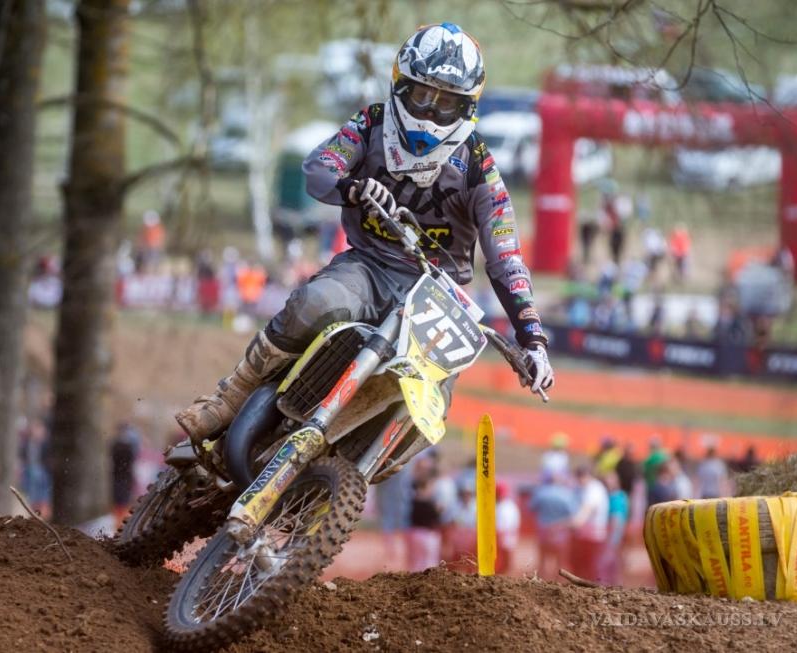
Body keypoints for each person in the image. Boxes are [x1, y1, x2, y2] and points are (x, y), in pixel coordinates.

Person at [172, 23, 554, 456]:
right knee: (316, 304)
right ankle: (227, 400)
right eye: (422, 94)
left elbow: (506, 257)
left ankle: (349, 471)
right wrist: (351, 187)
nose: (430, 111)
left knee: (430, 409)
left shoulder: (478, 165)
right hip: (369, 266)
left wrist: (533, 340)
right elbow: (319, 167)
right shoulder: (372, 124)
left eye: (446, 101)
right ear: (401, 85)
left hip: (438, 298)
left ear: (466, 105)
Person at [529, 470, 577, 579]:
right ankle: (559, 585)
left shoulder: (541, 492)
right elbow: (573, 514)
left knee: (542, 561)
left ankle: (539, 584)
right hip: (561, 533)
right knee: (560, 563)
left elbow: (531, 508)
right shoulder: (567, 494)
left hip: (544, 531)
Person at [570, 465, 609, 582]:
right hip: (583, 535)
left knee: (591, 568)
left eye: (582, 476)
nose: (580, 479)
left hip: (594, 536)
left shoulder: (594, 489)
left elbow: (587, 509)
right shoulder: (582, 488)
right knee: (579, 566)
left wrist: (576, 522)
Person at [599, 472, 628, 585]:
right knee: (614, 563)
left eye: (610, 481)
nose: (607, 484)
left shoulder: (616, 498)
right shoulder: (617, 496)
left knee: (607, 563)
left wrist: (611, 538)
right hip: (615, 535)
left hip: (612, 536)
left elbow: (617, 520)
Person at [111, 422, 141, 522]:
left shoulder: (116, 444)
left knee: (121, 499)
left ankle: (120, 520)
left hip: (120, 475)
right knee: (122, 499)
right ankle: (121, 520)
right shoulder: (127, 446)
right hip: (123, 476)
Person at [494, 479, 521, 575]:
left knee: (505, 563)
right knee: (502, 563)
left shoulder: (506, 506)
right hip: (503, 537)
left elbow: (505, 526)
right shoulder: (507, 505)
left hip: (504, 537)